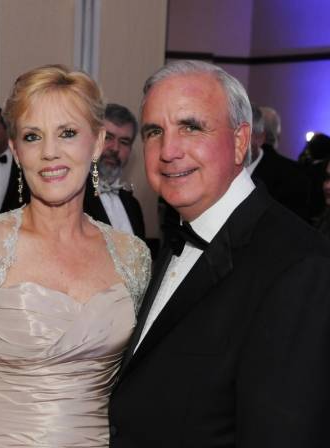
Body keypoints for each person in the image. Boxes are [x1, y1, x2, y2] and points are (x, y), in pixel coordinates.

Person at [109, 60, 330, 447]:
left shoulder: (300, 266)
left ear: (241, 141)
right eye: (155, 131)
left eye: (191, 127)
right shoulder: (179, 235)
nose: (168, 150)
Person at [0, 65, 151, 447]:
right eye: (33, 137)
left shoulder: (132, 255)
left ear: (98, 143)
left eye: (68, 133)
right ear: (17, 151)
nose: (50, 152)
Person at [84, 103, 146, 240]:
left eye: (124, 142)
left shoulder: (133, 206)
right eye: (108, 137)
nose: (115, 148)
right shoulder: (73, 197)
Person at [246, 105, 311, 221]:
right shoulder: (218, 169)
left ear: (260, 138)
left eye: (244, 135)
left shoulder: (292, 176)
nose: (235, 142)